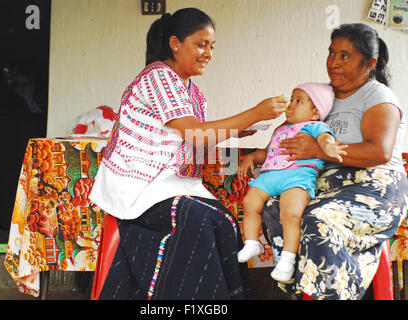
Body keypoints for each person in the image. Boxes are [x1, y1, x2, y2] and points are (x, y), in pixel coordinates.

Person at [89, 8, 287, 300]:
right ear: (175, 43)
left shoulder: (194, 94)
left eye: (212, 46)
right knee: (199, 219)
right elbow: (195, 132)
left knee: (225, 220)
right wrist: (252, 114)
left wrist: (235, 131)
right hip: (139, 187)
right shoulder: (158, 76)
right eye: (201, 44)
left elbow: (194, 144)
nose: (208, 53)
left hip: (168, 186)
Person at [259, 23, 408, 300]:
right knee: (271, 207)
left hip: (374, 188)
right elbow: (286, 136)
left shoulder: (378, 96)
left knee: (318, 219)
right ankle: (304, 287)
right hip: (325, 187)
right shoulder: (321, 97)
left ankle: (328, 294)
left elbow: (379, 151)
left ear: (369, 63)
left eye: (345, 56)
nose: (334, 63)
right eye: (331, 53)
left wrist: (319, 151)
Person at [236, 83, 348, 284]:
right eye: (291, 99)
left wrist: (329, 147)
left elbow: (324, 139)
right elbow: (268, 153)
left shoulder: (316, 126)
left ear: (314, 113)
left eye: (299, 101)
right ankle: (252, 242)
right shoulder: (281, 130)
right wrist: (251, 157)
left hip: (297, 178)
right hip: (269, 176)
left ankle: (287, 260)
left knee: (290, 214)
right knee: (250, 202)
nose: (291, 105)